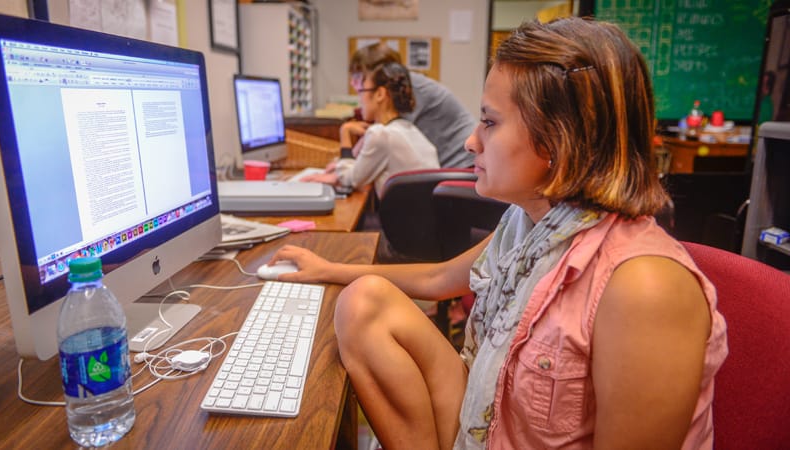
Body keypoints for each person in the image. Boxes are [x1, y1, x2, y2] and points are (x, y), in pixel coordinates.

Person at [268, 17, 728, 450]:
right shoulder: (530, 221)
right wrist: (328, 270)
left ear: (559, 139)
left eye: (490, 122)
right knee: (363, 302)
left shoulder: (645, 289)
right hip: (493, 424)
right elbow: (439, 279)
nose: (471, 141)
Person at [302, 61, 439, 197]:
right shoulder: (410, 130)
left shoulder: (381, 134)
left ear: (380, 94)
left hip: (403, 218)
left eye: (362, 91)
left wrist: (345, 132)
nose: (359, 99)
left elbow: (351, 180)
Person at [344, 42, 476, 169]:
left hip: (462, 160)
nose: (353, 83)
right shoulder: (403, 85)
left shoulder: (409, 88)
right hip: (453, 159)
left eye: (359, 76)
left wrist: (351, 163)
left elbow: (382, 135)